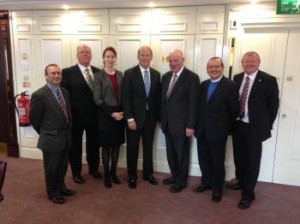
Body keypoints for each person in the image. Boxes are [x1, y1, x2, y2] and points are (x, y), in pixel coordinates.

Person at [227, 51, 279, 209]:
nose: (249, 64)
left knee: (252, 161)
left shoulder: (268, 80)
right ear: (242, 63)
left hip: (254, 129)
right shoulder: (237, 78)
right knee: (239, 158)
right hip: (238, 125)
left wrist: (265, 126)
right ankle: (241, 183)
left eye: (252, 62)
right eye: (246, 62)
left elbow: (273, 106)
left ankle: (248, 194)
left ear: (258, 62)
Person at [193, 57, 240, 202]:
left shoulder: (230, 85)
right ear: (207, 69)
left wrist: (224, 127)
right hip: (202, 130)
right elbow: (199, 108)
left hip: (218, 132)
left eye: (216, 67)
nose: (213, 69)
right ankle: (206, 183)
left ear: (222, 68)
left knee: (217, 161)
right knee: (203, 159)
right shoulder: (203, 84)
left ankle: (217, 189)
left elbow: (234, 111)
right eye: (210, 67)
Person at [29, 64, 75, 204]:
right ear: (46, 76)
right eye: (53, 73)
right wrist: (46, 133)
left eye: (58, 73)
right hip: (51, 139)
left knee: (63, 166)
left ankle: (61, 186)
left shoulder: (65, 92)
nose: (56, 75)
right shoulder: (39, 95)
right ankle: (53, 192)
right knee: (52, 168)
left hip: (66, 137)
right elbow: (34, 119)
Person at [160, 49, 200, 193]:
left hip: (183, 125)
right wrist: (161, 120)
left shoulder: (192, 77)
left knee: (182, 154)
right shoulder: (165, 77)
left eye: (176, 60)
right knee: (171, 153)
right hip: (167, 124)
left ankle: (181, 181)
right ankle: (175, 175)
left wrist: (190, 125)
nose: (173, 63)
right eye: (170, 61)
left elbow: (193, 104)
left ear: (182, 60)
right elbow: (163, 101)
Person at [61, 44, 101, 184]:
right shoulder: (67, 72)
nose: (85, 54)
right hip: (76, 117)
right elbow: (64, 96)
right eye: (82, 52)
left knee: (94, 145)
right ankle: (76, 172)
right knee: (75, 147)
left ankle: (94, 169)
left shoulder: (98, 72)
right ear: (77, 55)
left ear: (91, 55)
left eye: (88, 52)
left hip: (95, 116)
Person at [122, 46, 161, 189]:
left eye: (147, 55)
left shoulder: (157, 75)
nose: (145, 58)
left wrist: (159, 118)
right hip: (134, 120)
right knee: (132, 148)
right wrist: (130, 118)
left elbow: (157, 99)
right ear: (138, 57)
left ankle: (148, 174)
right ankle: (132, 176)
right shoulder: (130, 73)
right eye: (142, 55)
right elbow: (126, 98)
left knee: (148, 148)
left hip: (150, 119)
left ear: (151, 57)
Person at [93, 47, 125, 188]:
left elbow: (124, 95)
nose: (110, 59)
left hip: (120, 114)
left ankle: (113, 173)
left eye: (113, 56)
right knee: (106, 147)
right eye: (108, 56)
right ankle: (106, 174)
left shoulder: (120, 74)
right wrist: (112, 113)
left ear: (115, 58)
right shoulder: (98, 75)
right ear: (103, 58)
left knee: (116, 145)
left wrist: (122, 112)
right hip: (106, 115)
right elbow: (97, 99)